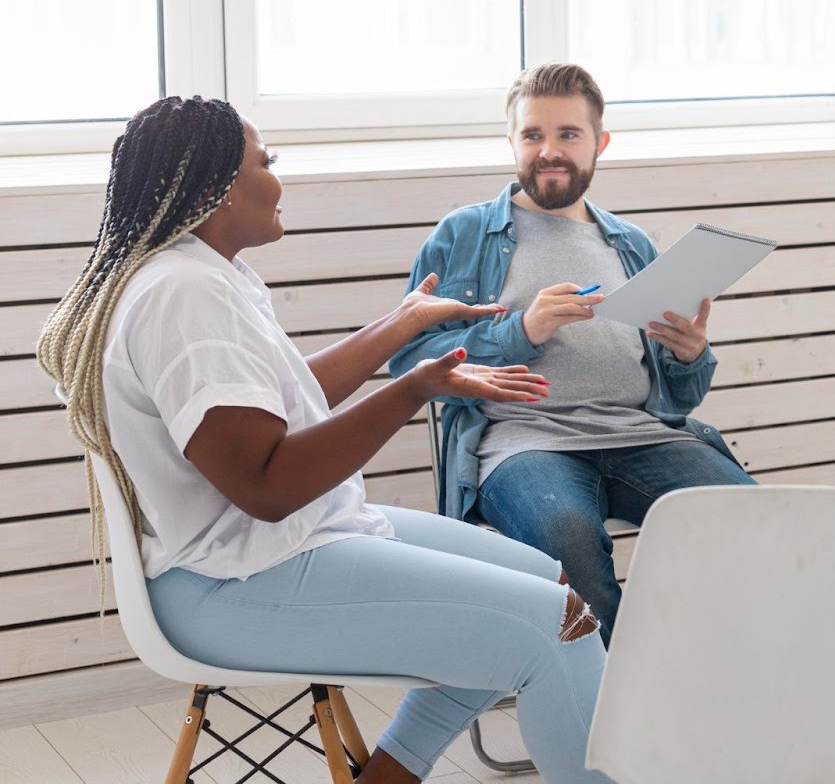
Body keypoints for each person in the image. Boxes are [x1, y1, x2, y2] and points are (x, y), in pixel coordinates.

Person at [36, 97, 612, 784]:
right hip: (236, 584)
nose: (278, 179)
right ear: (217, 187)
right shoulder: (184, 295)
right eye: (265, 163)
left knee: (542, 582)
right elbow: (268, 487)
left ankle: (389, 774)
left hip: (264, 552)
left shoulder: (194, 275)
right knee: (560, 624)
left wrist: (400, 325)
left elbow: (271, 408)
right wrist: (412, 389)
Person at [390, 62, 755, 640]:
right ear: (512, 142)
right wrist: (521, 330)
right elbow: (409, 358)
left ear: (599, 144)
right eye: (533, 135)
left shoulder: (630, 243)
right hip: (523, 444)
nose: (549, 151)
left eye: (568, 135)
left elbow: (679, 394)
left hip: (639, 434)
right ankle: (615, 717)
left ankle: (702, 684)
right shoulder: (462, 236)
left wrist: (690, 355)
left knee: (760, 523)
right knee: (569, 539)